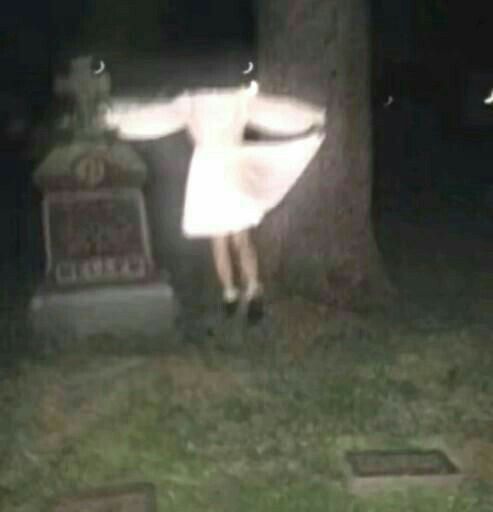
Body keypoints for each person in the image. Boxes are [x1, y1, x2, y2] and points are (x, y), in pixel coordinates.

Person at [103, 59, 325, 324]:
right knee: (236, 238)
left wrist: (115, 120)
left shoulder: (197, 101)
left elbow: (156, 116)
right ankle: (245, 291)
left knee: (224, 240)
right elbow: (276, 111)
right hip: (222, 168)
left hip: (213, 169)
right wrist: (312, 116)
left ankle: (237, 293)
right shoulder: (233, 99)